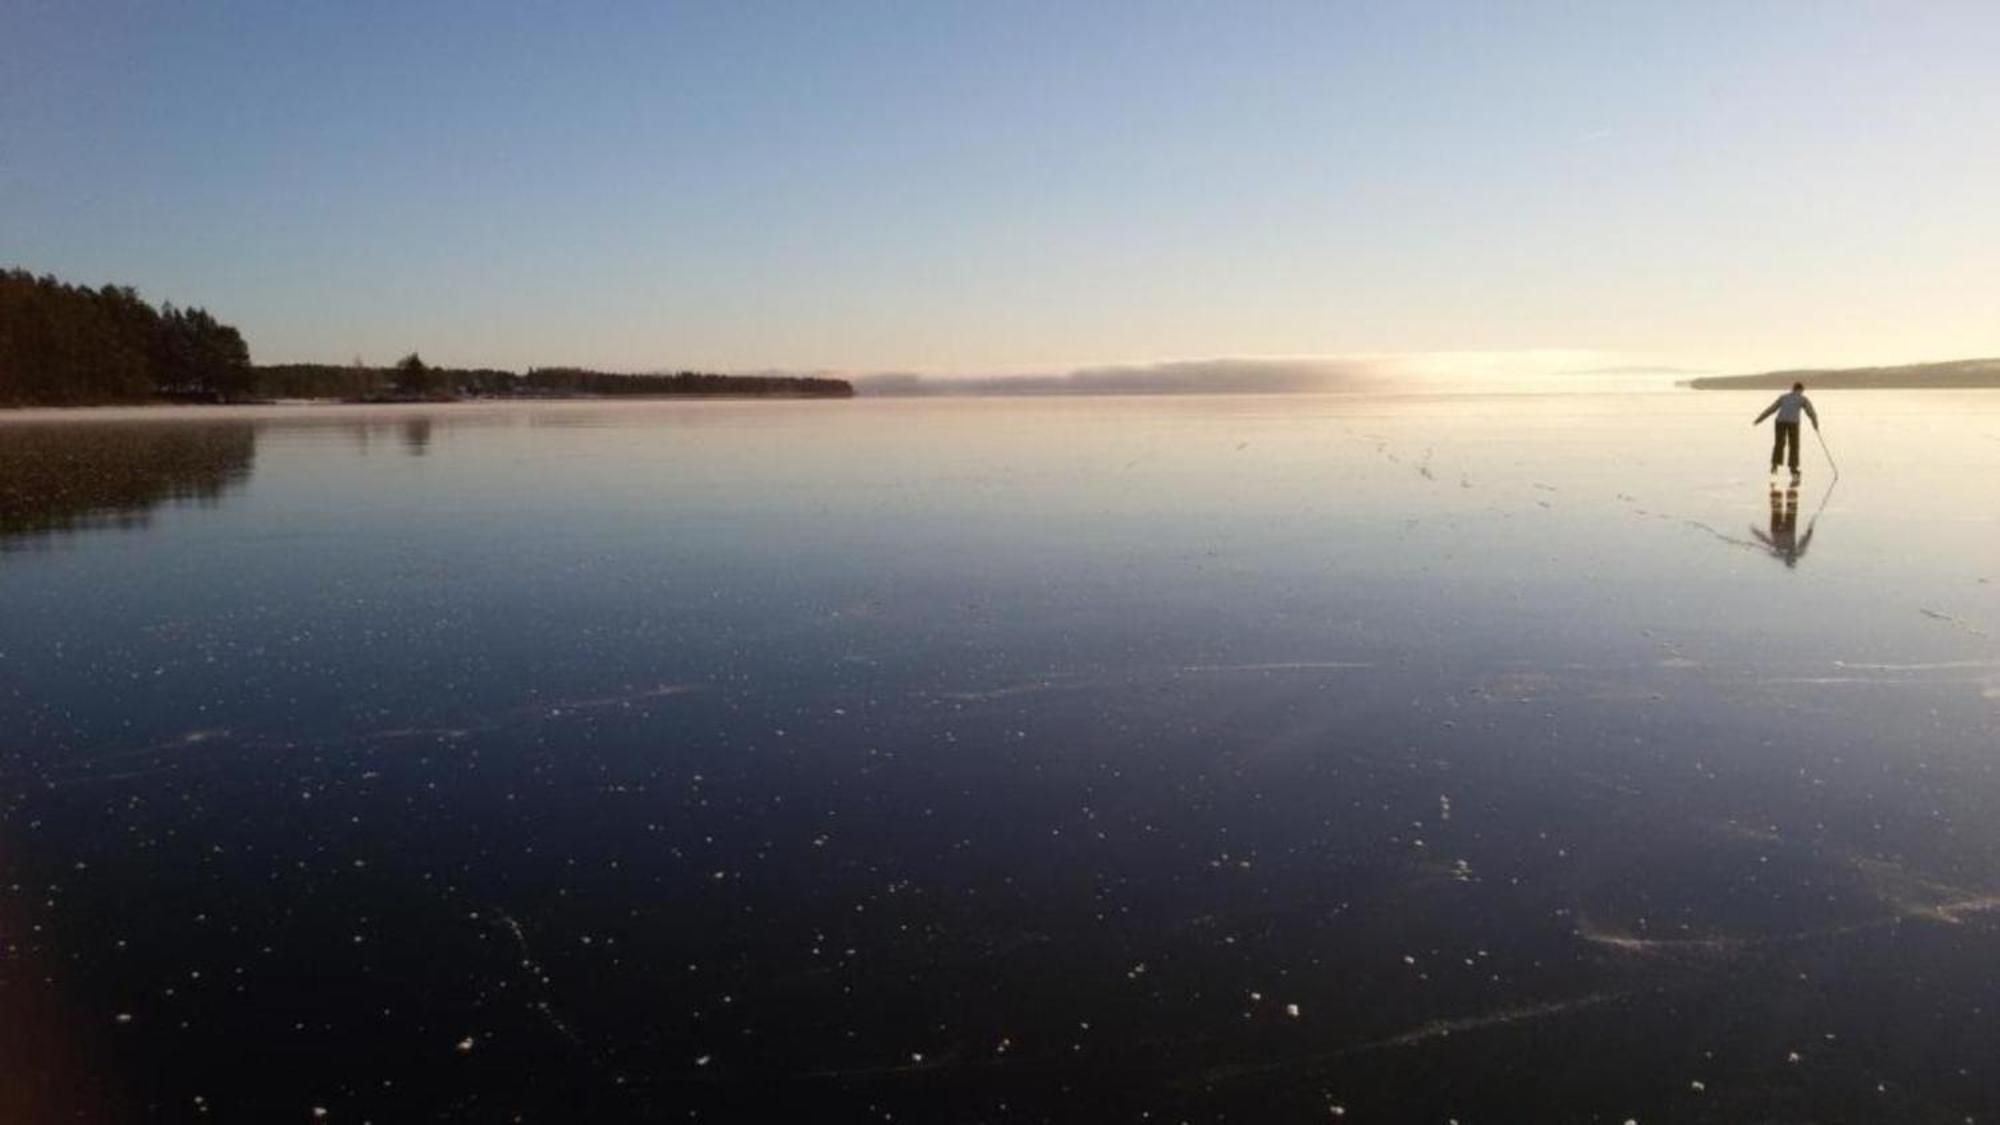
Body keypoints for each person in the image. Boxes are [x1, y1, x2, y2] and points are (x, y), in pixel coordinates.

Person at [1752, 382, 1819, 482]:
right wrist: (1815, 424)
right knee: (1794, 445)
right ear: (1801, 390)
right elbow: (1811, 412)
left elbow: (1771, 409)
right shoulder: (1803, 399)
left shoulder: (1784, 397)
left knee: (1779, 443)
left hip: (1780, 422)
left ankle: (1774, 465)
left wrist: (1759, 419)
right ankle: (1793, 468)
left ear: (1793, 389)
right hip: (1793, 423)